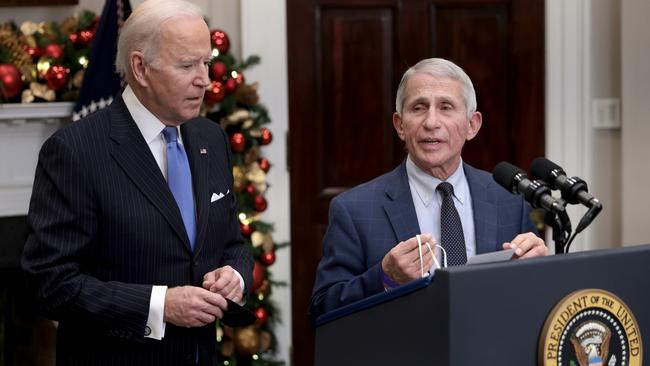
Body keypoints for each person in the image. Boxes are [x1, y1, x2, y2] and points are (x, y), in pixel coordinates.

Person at [21, 1, 253, 364]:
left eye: (206, 63)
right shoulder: (74, 151)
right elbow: (49, 283)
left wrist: (235, 277)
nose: (205, 80)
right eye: (187, 65)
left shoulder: (211, 138)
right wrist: (158, 305)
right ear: (140, 68)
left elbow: (231, 244)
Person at [309, 58, 547, 323]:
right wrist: (384, 277)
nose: (431, 122)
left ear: (472, 125)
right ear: (400, 125)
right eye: (419, 108)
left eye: (446, 107)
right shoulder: (354, 209)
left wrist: (538, 273)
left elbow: (535, 308)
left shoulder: (509, 200)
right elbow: (322, 310)